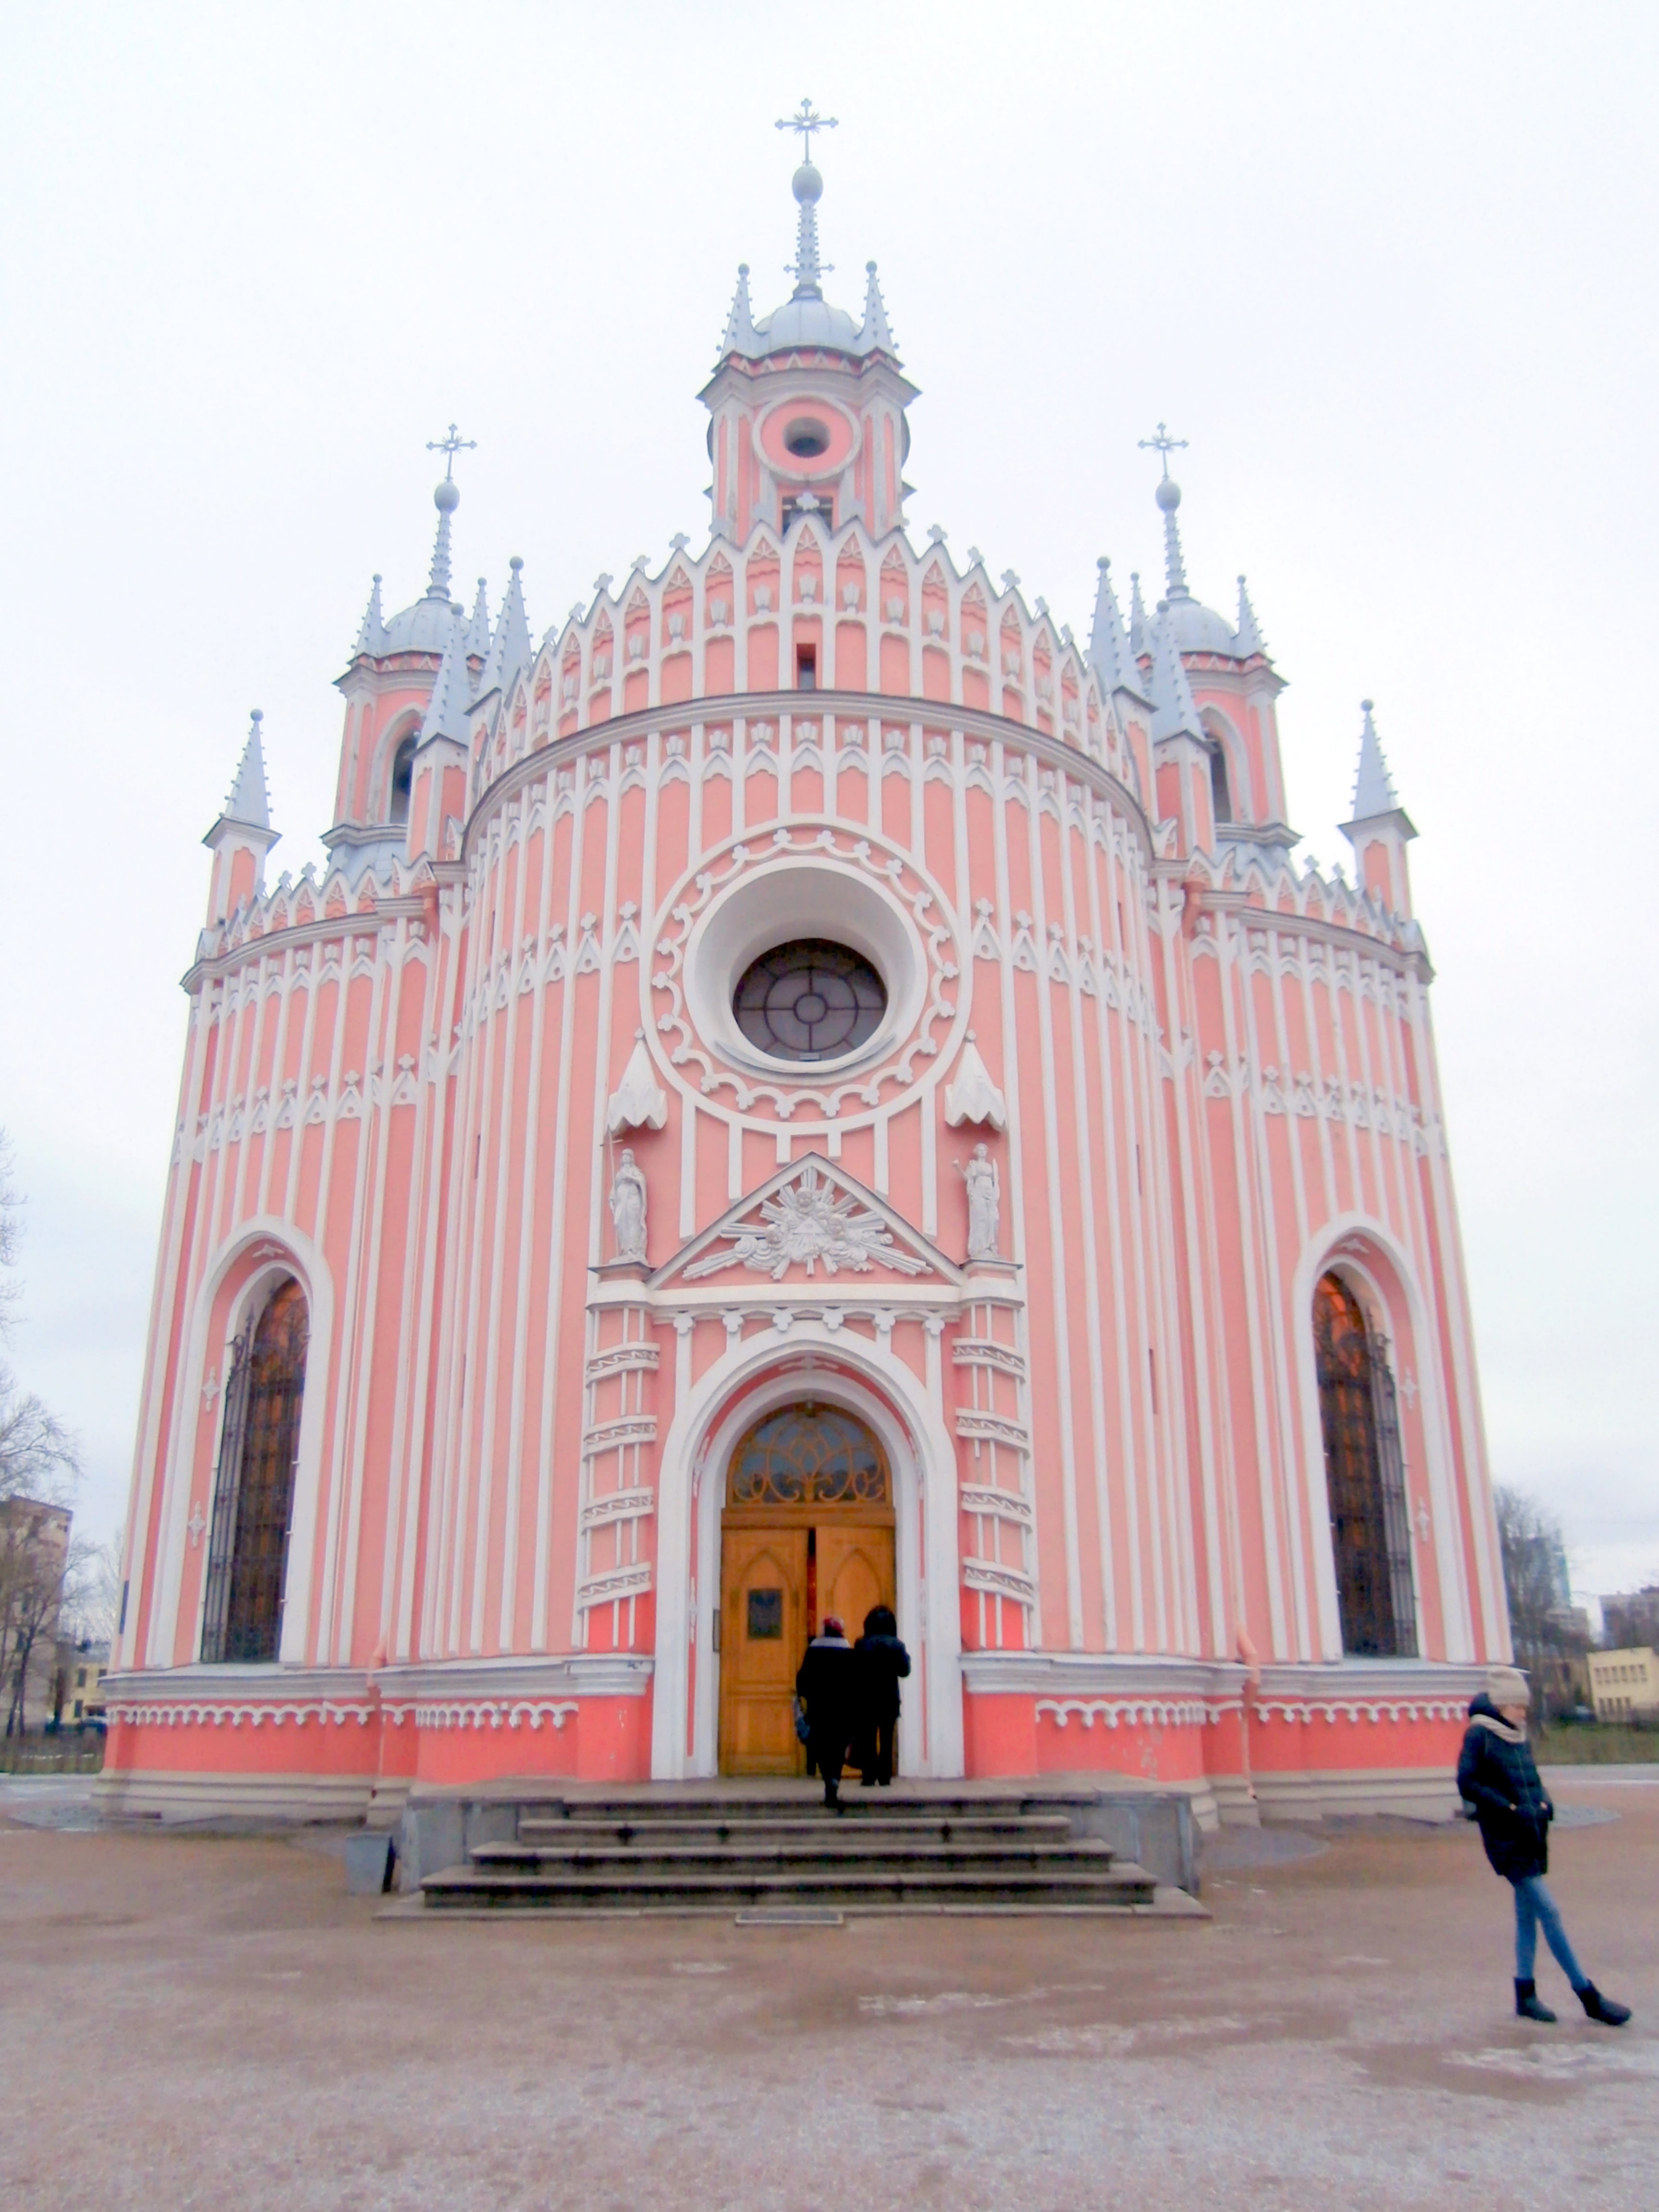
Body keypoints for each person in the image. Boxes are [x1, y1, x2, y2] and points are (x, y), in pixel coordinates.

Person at [1456, 1666, 1631, 2026]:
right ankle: (1587, 1995)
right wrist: (1509, 1808)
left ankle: (1525, 1995)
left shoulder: (1518, 1736)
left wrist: (1545, 1803)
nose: (1524, 1712)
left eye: (1524, 1706)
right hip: (1505, 1838)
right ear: (1502, 1704)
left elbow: (1532, 1779)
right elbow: (1468, 1782)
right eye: (1518, 1706)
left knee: (1527, 1916)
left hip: (1531, 1833)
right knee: (1549, 1911)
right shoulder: (1480, 1736)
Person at [795, 1616, 857, 1808]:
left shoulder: (814, 1651)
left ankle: (827, 1779)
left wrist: (804, 1696)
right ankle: (835, 1780)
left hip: (819, 1708)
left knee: (821, 1746)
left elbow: (802, 1679)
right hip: (842, 1710)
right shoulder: (848, 1652)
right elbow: (856, 1682)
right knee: (839, 1747)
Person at [853, 1604, 911, 1787]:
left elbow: (854, 1671)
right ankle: (885, 1776)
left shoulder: (862, 1644)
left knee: (868, 1739)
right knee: (887, 1740)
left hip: (866, 1699)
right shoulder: (897, 1645)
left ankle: (869, 1775)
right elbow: (905, 1671)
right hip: (889, 1699)